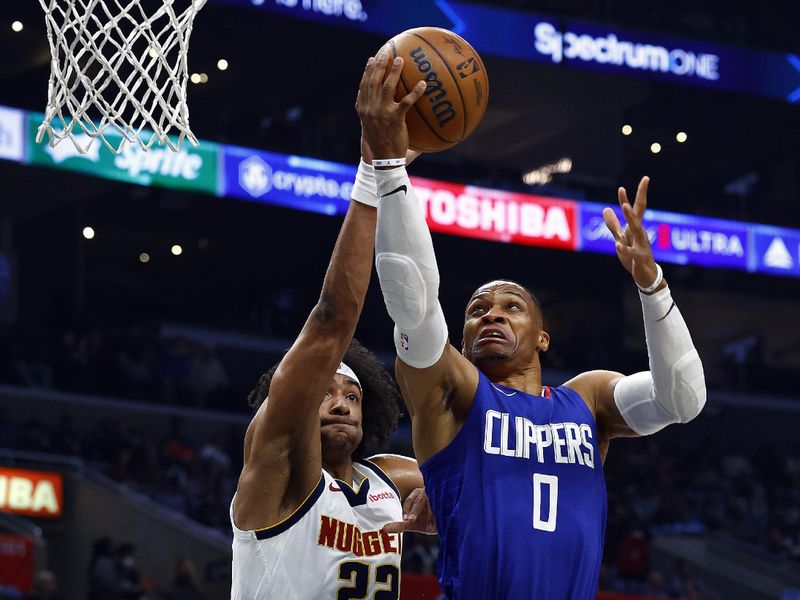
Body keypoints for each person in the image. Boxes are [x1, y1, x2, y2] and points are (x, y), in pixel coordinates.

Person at [362, 70, 707, 598]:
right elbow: (414, 302)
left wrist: (653, 286)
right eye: (477, 310)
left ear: (543, 337)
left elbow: (683, 399)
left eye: (511, 307)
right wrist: (388, 170)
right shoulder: (453, 392)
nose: (491, 315)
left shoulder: (588, 399)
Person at [230, 52, 434, 599]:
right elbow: (330, 323)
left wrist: (458, 501)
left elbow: (483, 473)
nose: (340, 402)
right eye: (325, 392)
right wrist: (375, 173)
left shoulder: (389, 478)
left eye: (352, 394)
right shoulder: (278, 463)